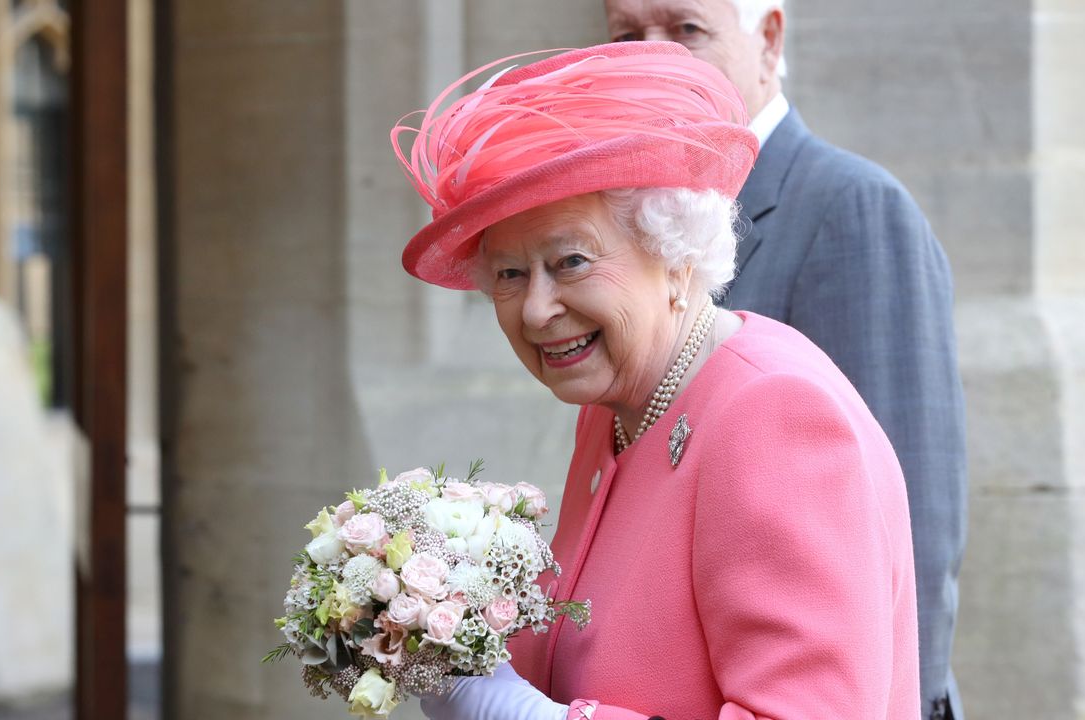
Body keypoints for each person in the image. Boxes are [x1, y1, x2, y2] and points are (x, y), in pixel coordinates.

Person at [393, 42, 918, 719]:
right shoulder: (618, 406)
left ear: (674, 256)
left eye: (571, 261)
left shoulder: (774, 416)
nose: (535, 308)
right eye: (509, 274)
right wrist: (444, 631)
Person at [601, 2, 968, 718]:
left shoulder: (850, 206)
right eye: (626, 35)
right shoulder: (633, 224)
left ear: (768, 39)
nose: (654, 57)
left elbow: (910, 511)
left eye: (686, 29)